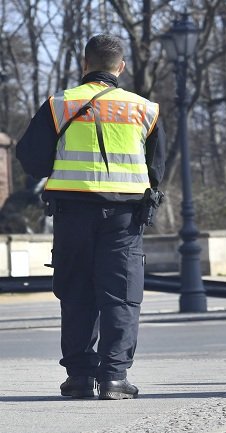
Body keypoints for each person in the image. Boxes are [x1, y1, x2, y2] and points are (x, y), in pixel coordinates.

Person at [16, 34, 166, 400]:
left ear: (85, 64)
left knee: (77, 292)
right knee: (121, 296)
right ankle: (115, 378)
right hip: (125, 217)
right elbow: (156, 170)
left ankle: (81, 378)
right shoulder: (144, 109)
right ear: (121, 67)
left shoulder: (59, 104)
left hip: (71, 214)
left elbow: (31, 160)